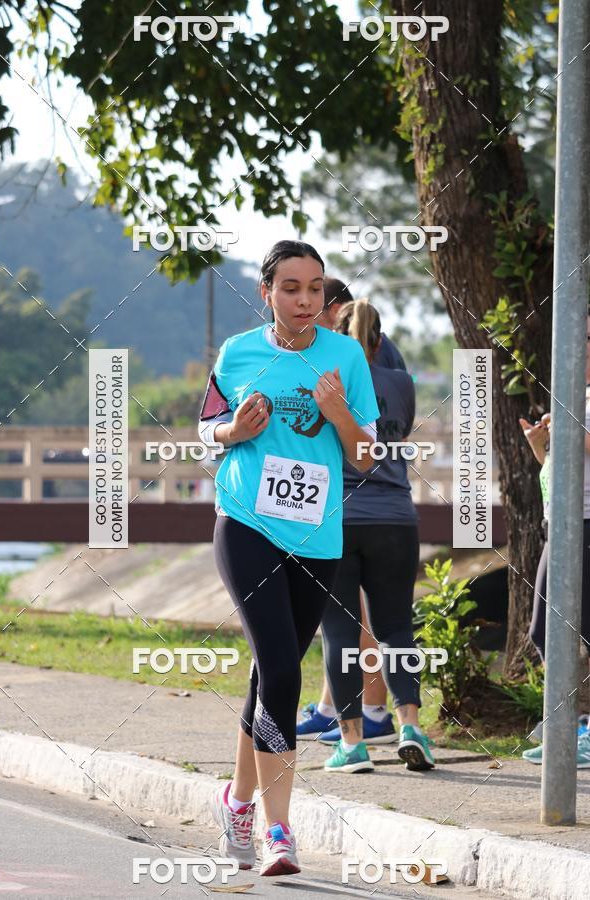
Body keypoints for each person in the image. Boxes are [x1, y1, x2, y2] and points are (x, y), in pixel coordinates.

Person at [198, 241, 380, 875]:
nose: (305, 300)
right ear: (267, 293)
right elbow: (206, 429)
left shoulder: (345, 356)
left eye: (315, 288)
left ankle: (236, 802)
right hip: (245, 523)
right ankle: (279, 829)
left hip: (316, 536)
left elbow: (366, 456)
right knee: (280, 671)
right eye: (291, 288)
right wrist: (234, 432)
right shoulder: (238, 353)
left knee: (267, 676)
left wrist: (338, 414)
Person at [319, 298, 434, 773]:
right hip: (395, 518)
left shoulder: (327, 384)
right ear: (380, 338)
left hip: (337, 520)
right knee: (396, 629)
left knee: (340, 633)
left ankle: (352, 743)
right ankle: (411, 726)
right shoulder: (402, 383)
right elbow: (399, 434)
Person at [297, 277, 402, 744]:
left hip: (357, 499)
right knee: (342, 616)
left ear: (334, 310)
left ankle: (372, 710)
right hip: (365, 500)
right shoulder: (375, 354)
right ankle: (334, 707)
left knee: (355, 617)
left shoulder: (359, 356)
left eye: (314, 310)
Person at [520, 317, 590, 767]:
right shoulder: (574, 397)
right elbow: (556, 474)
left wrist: (569, 429)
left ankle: (582, 729)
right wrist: (540, 445)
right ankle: (568, 725)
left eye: (584, 337)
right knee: (543, 629)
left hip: (586, 524)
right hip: (559, 526)